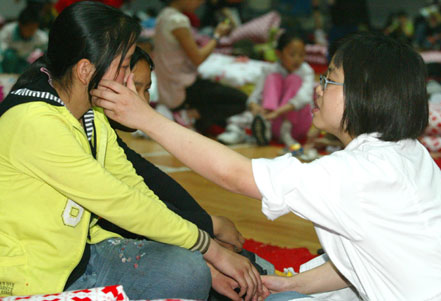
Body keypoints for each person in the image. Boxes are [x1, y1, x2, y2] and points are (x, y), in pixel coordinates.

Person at [93, 31, 441, 300]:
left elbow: (233, 174)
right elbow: (367, 259)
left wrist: (148, 119)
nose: (320, 88)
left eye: (330, 79)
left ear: (364, 94)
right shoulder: (408, 153)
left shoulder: (357, 173)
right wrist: (290, 282)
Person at [0, 2, 264, 300]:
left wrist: (204, 252)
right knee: (196, 268)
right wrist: (210, 246)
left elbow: (137, 187)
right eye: (124, 66)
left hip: (81, 258)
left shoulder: (90, 114)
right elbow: (121, 202)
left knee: (190, 270)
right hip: (32, 280)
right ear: (85, 70)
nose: (128, 79)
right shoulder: (35, 122)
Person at [104, 46, 275, 300]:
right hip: (86, 256)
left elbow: (151, 181)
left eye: (146, 89)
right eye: (134, 87)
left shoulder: (103, 131)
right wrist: (208, 235)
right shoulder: (76, 127)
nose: (141, 99)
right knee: (191, 271)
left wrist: (206, 229)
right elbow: (125, 211)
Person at [153, 0, 247, 134]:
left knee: (217, 120)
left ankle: (186, 116)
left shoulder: (163, 16)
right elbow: (198, 58)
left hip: (169, 86)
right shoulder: (178, 20)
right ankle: (188, 115)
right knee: (240, 101)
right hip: (182, 87)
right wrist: (217, 35)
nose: (201, 2)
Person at [218, 31, 314, 148]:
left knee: (294, 79)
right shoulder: (270, 70)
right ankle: (256, 127)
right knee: (272, 78)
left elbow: (303, 98)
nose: (297, 59)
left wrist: (278, 112)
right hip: (272, 119)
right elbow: (255, 96)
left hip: (296, 125)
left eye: (301, 55)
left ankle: (283, 130)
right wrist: (255, 107)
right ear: (278, 53)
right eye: (292, 54)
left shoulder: (306, 71)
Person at [0, 6, 48, 73]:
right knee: (10, 56)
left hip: (24, 62)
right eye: (30, 29)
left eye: (35, 28)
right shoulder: (7, 32)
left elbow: (46, 52)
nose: (32, 32)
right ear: (20, 25)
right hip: (8, 63)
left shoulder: (40, 36)